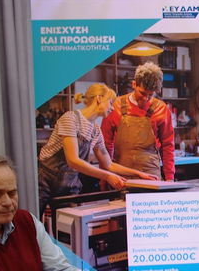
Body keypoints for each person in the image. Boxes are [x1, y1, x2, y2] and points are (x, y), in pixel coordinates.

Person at [38, 83, 157, 214]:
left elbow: (109, 164)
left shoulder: (95, 131)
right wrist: (107, 176)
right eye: (110, 103)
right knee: (31, 220)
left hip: (68, 183)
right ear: (99, 99)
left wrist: (138, 174)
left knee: (68, 224)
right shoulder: (70, 119)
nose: (112, 108)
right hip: (45, 180)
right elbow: (73, 161)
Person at [102, 61, 176, 182]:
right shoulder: (116, 106)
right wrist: (105, 176)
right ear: (134, 84)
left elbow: (168, 145)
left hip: (151, 175)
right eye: (142, 93)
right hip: (121, 175)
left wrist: (169, 177)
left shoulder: (161, 109)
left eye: (150, 95)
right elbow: (105, 144)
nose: (145, 99)